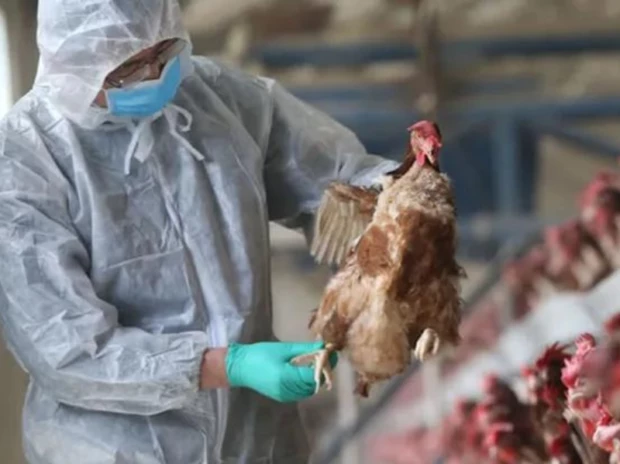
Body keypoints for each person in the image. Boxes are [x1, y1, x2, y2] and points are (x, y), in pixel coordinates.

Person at [0, 1, 398, 463]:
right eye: (127, 68)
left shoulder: (215, 96)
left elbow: (337, 180)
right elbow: (68, 351)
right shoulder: (24, 162)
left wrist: (398, 206)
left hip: (255, 442)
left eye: (162, 52)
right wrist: (231, 365)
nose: (153, 76)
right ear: (75, 65)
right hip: (118, 450)